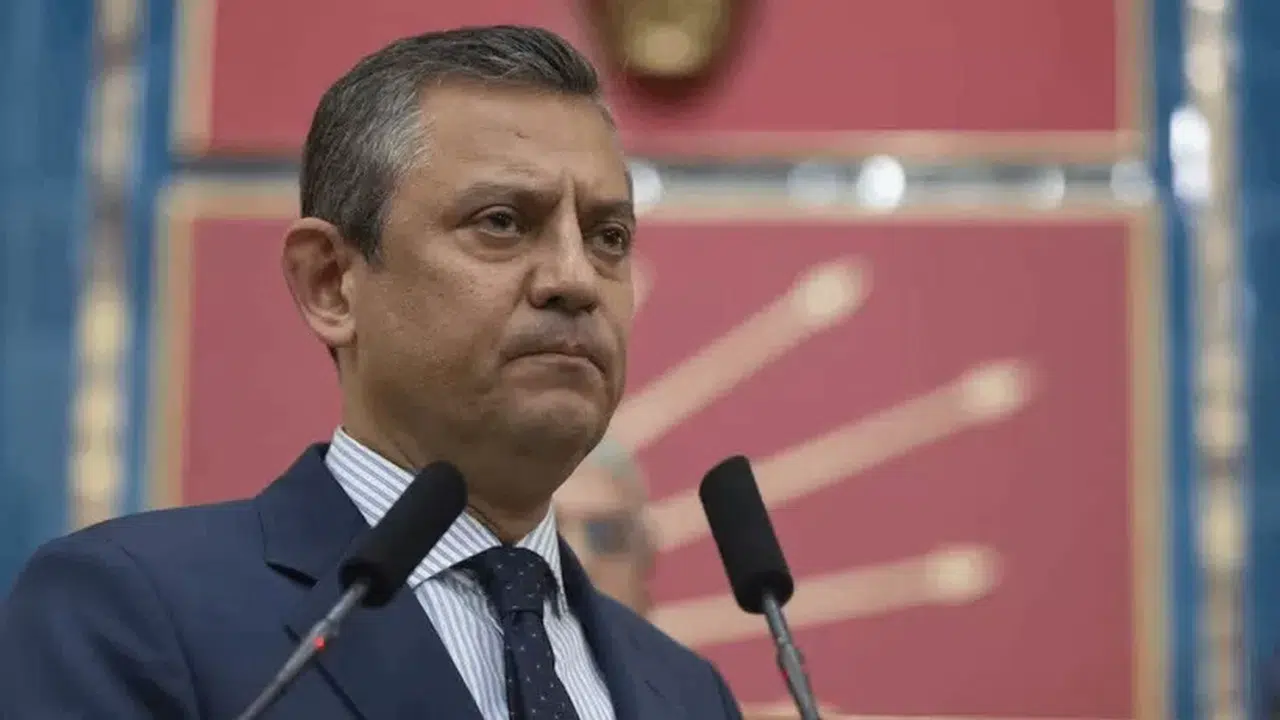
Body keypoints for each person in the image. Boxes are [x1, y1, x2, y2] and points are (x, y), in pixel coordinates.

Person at [0, 25, 744, 720]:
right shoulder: (129, 611)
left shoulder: (687, 693)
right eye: (502, 222)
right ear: (331, 283)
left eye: (608, 236)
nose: (575, 279)